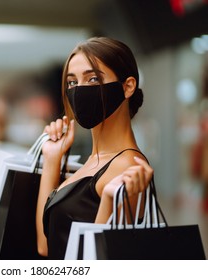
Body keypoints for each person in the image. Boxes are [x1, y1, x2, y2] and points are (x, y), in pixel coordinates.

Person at [35, 37, 154, 259]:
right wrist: (52, 159)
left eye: (92, 79)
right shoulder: (94, 162)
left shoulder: (126, 166)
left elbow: (102, 264)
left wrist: (110, 201)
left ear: (127, 86)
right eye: (72, 82)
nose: (79, 90)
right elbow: (46, 246)